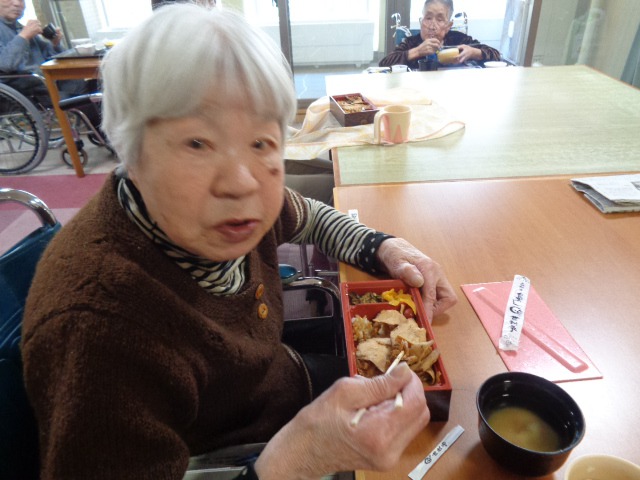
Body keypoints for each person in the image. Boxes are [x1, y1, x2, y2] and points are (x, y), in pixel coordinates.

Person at [22, 4, 457, 480]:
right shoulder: (100, 334)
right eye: (197, 143)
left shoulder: (217, 212)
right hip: (236, 448)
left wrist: (383, 247)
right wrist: (298, 460)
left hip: (271, 380)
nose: (242, 183)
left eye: (260, 143)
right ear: (131, 152)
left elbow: (306, 215)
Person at [0, 0, 91, 99]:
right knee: (80, 98)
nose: (17, 4)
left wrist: (55, 43)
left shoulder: (20, 27)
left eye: (21, 0)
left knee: (86, 83)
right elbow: (5, 64)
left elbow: (50, 58)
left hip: (47, 81)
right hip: (24, 91)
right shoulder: (23, 32)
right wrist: (24, 36)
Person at [379, 0, 501, 70]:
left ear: (448, 26)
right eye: (428, 18)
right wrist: (417, 51)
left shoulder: (459, 40)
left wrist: (474, 52)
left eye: (440, 19)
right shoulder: (411, 43)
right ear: (421, 21)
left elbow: (496, 55)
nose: (432, 26)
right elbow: (384, 64)